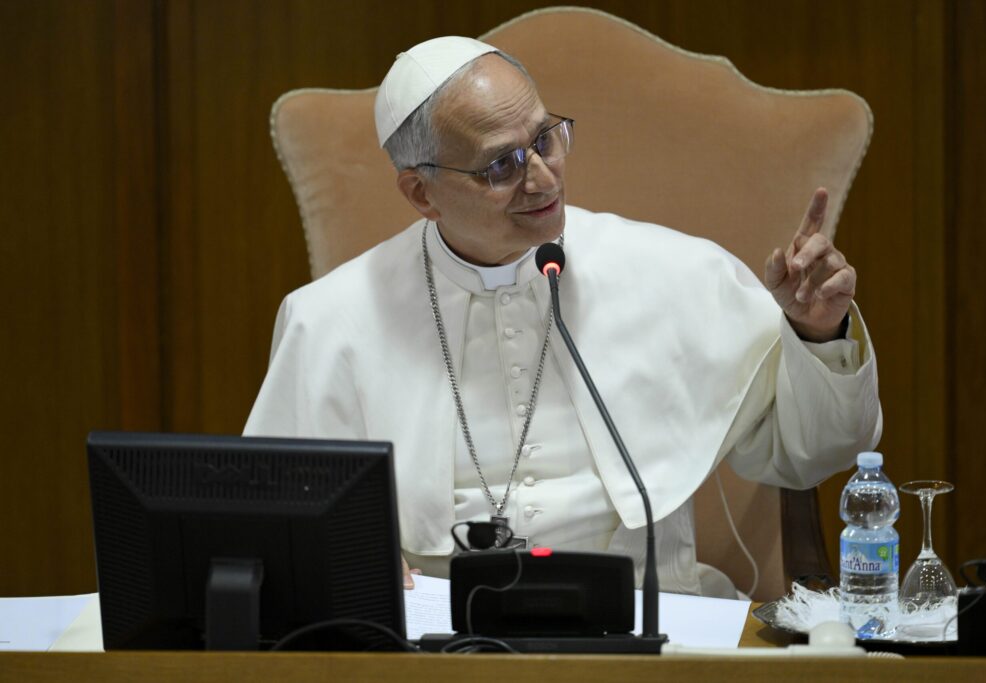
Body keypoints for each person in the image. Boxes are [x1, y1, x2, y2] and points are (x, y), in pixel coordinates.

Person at [244, 36, 882, 598]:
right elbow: (276, 526)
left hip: (647, 620)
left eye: (545, 139)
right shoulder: (331, 322)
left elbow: (812, 455)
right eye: (501, 164)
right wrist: (344, 556)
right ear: (421, 193)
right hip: (437, 644)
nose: (544, 179)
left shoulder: (675, 274)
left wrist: (817, 334)